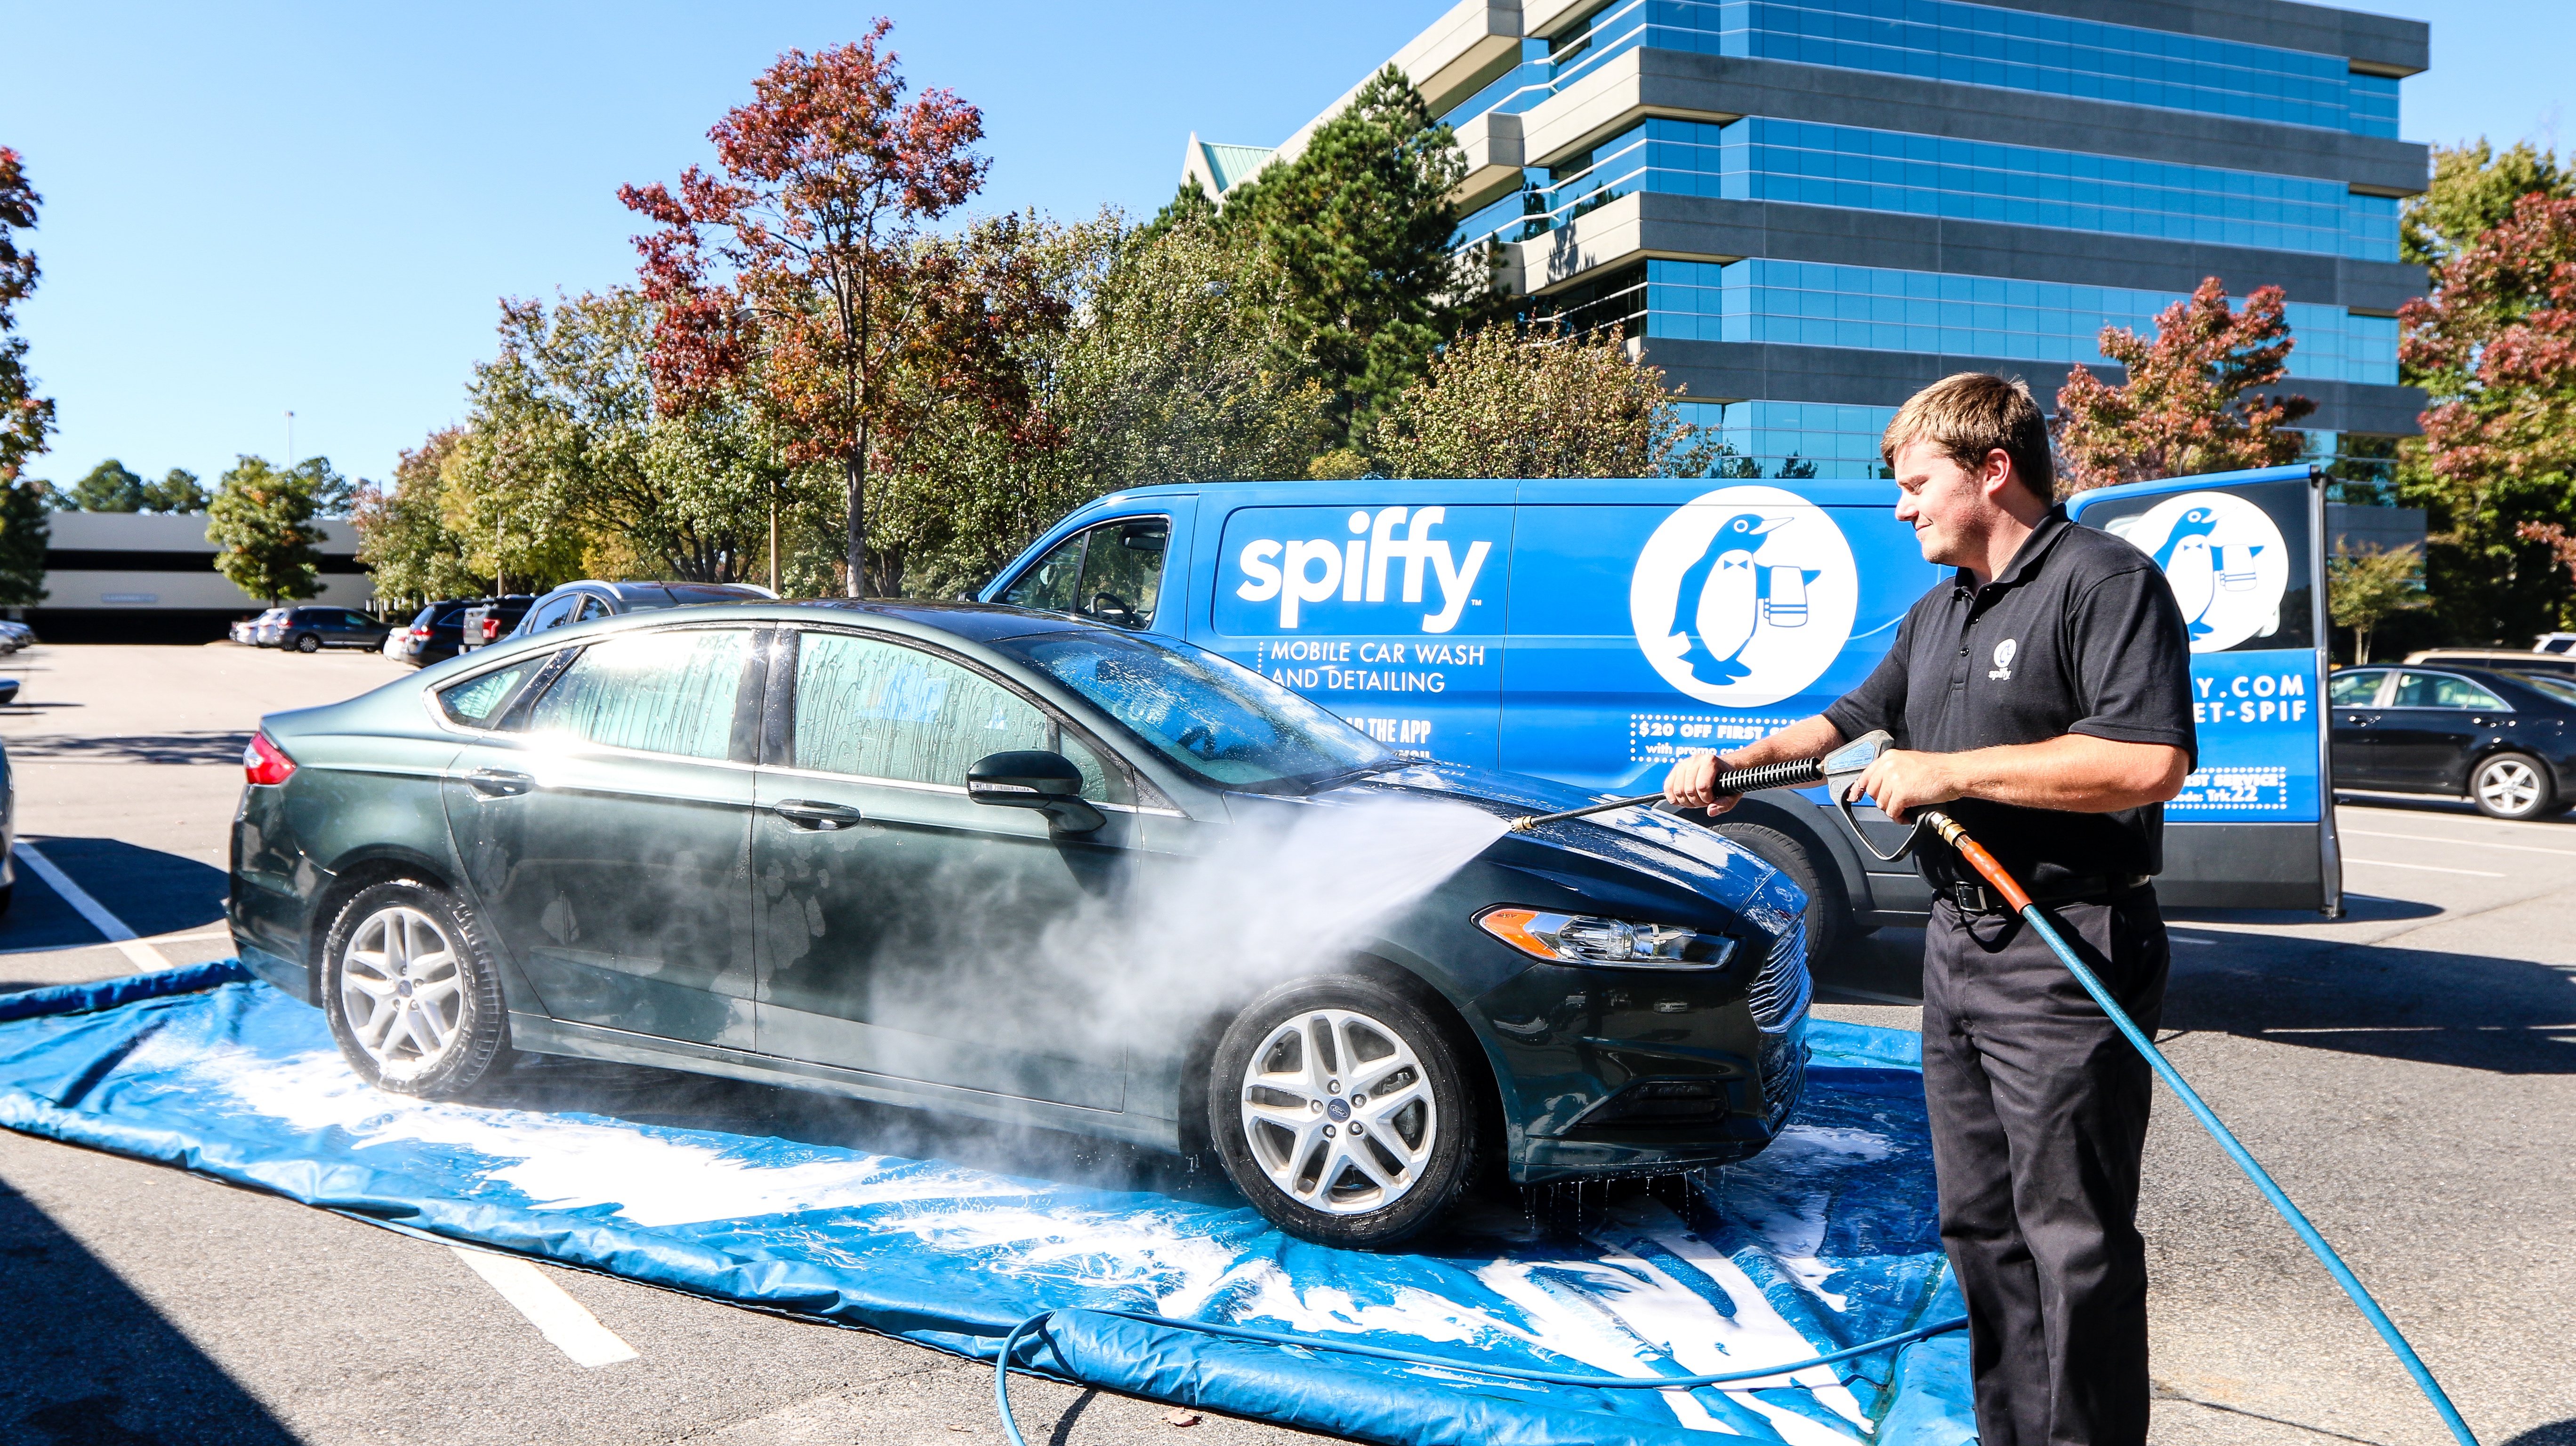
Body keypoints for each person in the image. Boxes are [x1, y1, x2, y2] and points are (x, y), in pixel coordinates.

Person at [1664, 372, 2195, 1446]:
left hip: (2067, 945)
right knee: (1980, 1228)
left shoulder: (2105, 582)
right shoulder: (1938, 611)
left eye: (1916, 484)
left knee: (2073, 1239)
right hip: (1961, 945)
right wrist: (1737, 762)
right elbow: (1846, 725)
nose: (1901, 507)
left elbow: (2148, 761)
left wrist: (1949, 773)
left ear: (1992, 471)